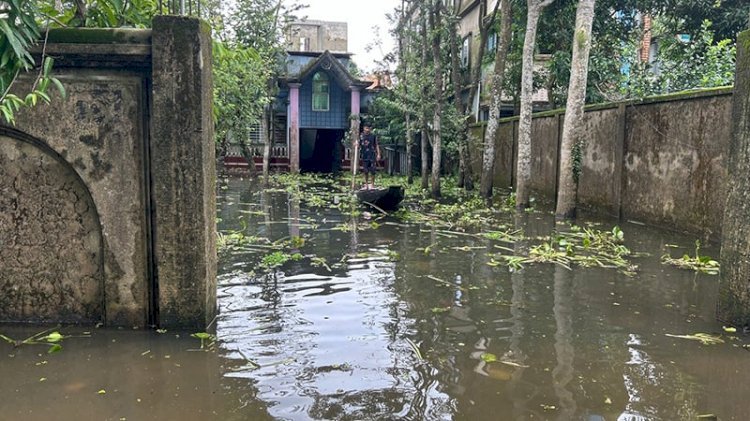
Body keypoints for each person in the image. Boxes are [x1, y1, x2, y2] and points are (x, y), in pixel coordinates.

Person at [359, 122, 381, 189]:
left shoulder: (373, 136)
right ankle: (366, 184)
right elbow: (358, 144)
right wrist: (356, 145)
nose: (367, 130)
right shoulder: (361, 136)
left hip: (372, 155)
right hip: (364, 155)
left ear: (370, 129)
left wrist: (378, 154)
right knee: (365, 171)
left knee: (373, 170)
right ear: (364, 128)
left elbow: (376, 145)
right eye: (366, 128)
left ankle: (372, 185)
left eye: (369, 128)